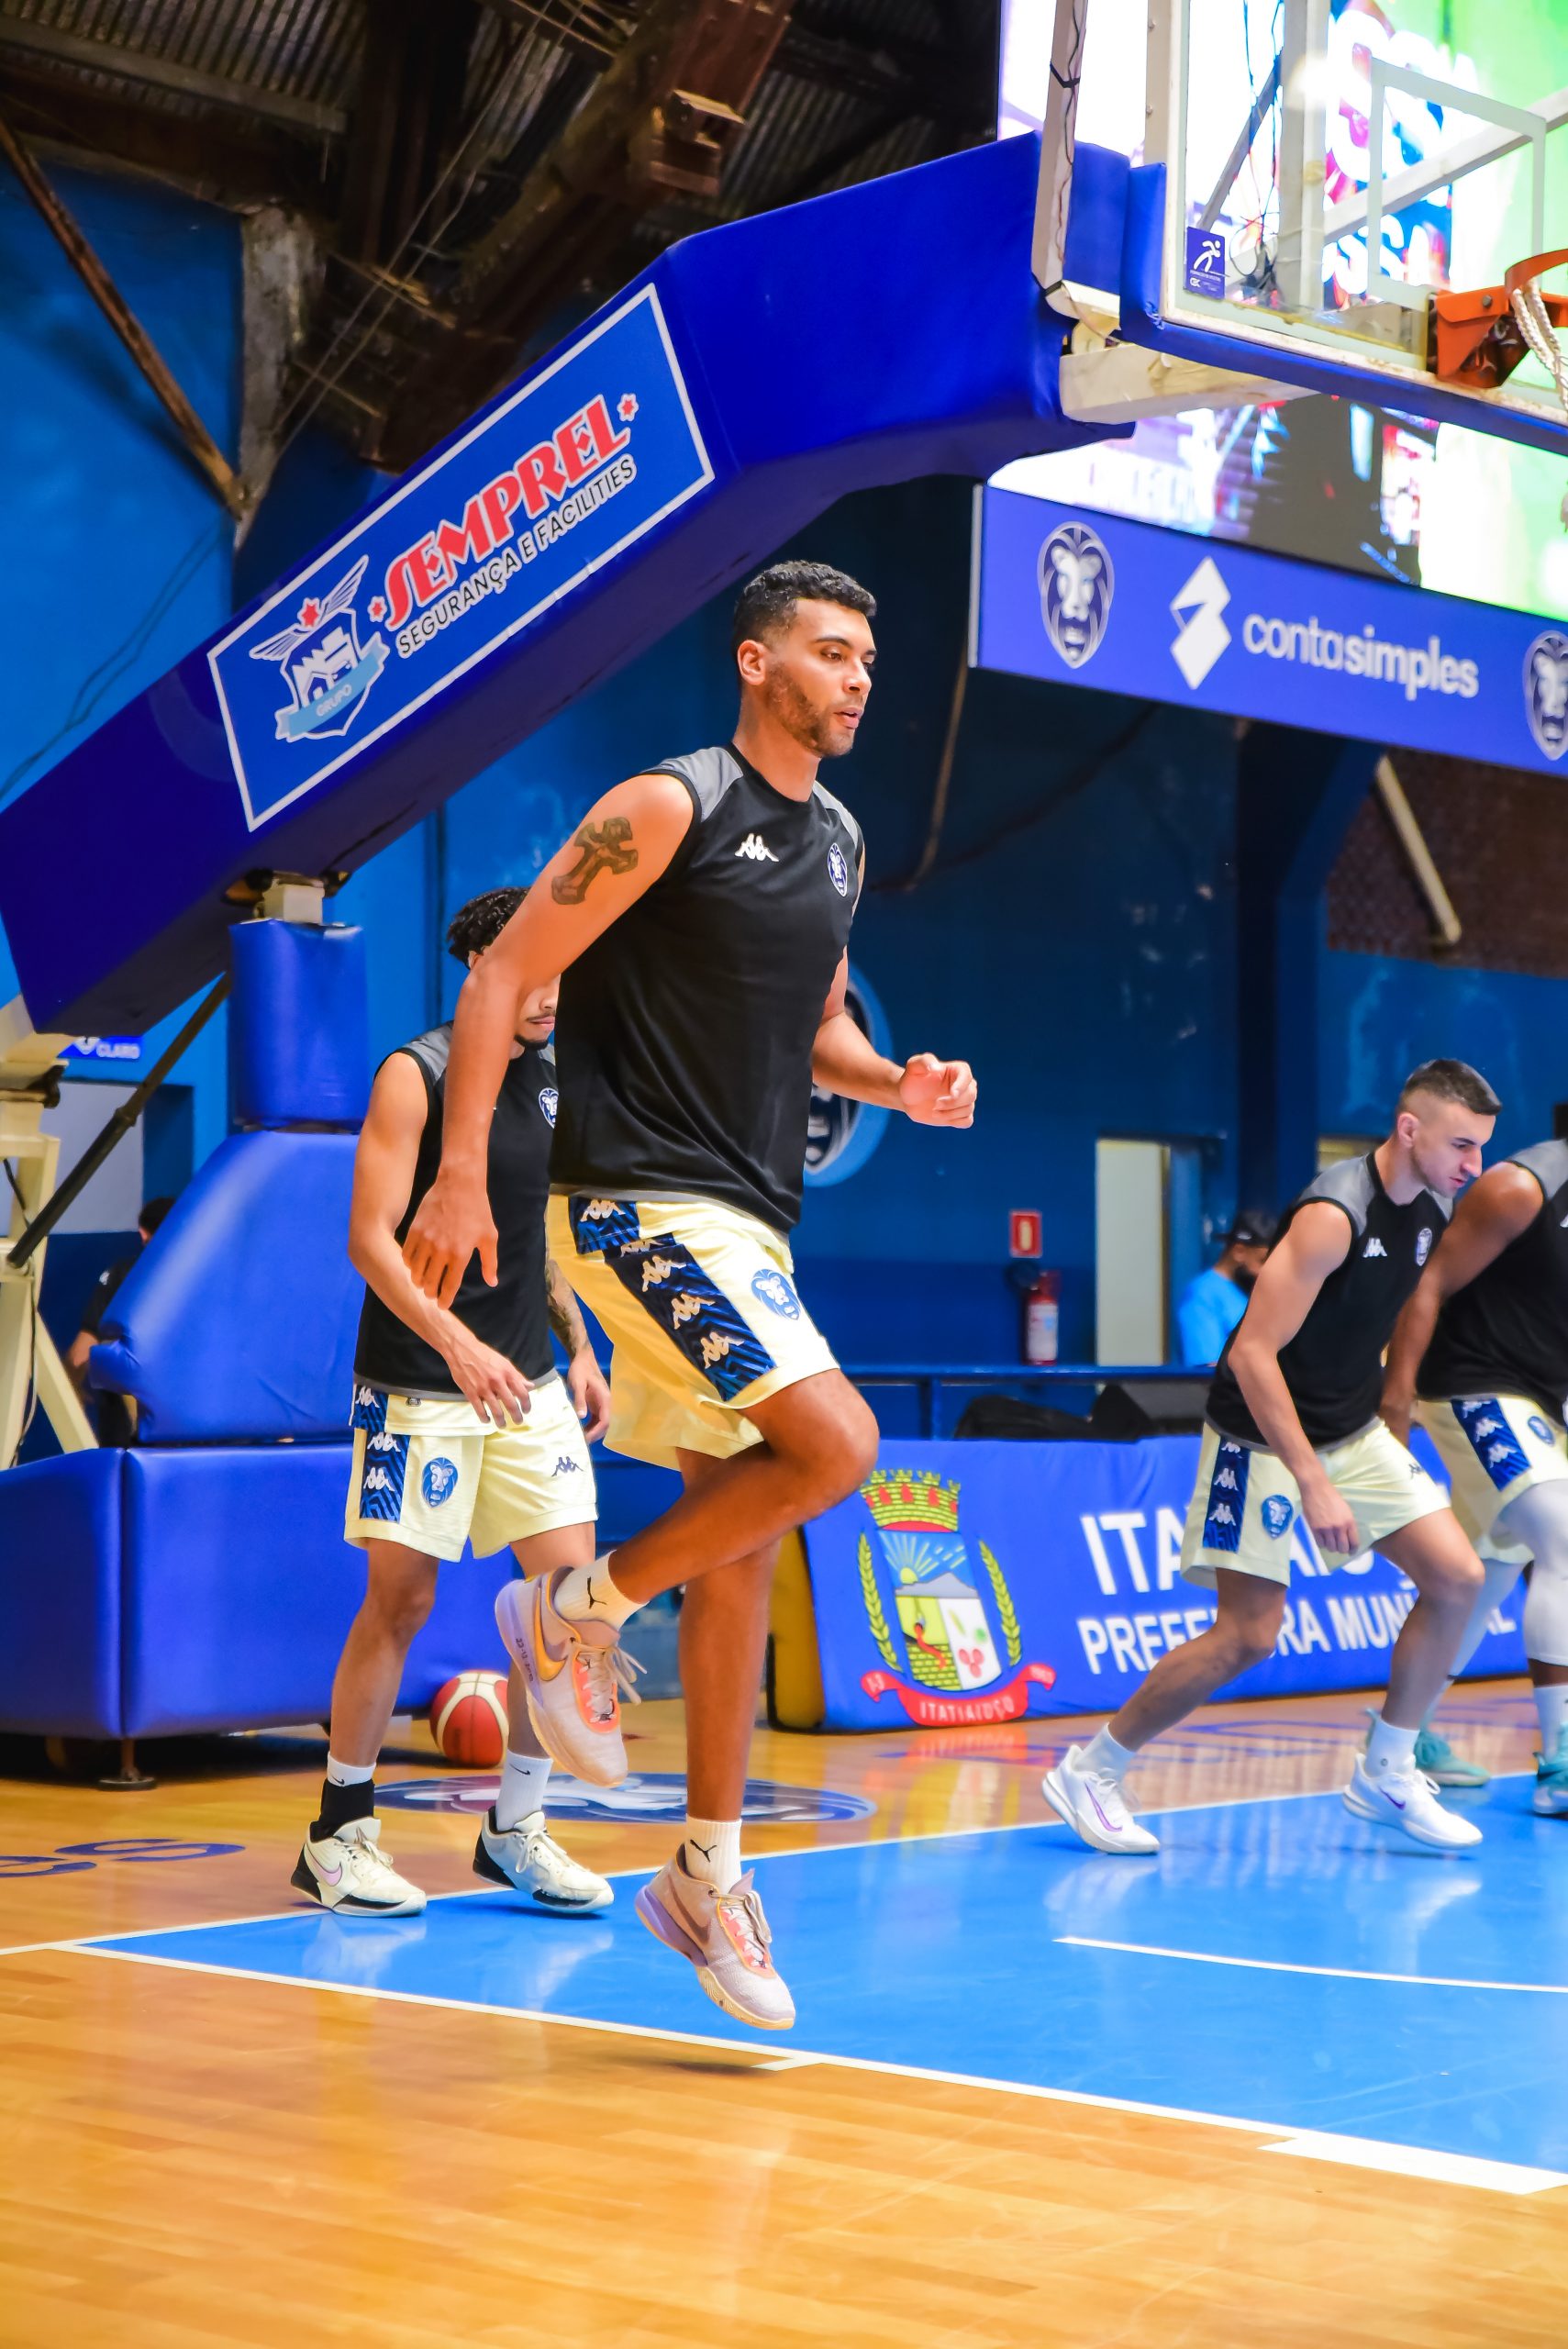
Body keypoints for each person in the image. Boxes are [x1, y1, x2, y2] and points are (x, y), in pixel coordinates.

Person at [404, 560, 977, 2029]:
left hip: (750, 1218)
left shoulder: (841, 841)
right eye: (831, 653)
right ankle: (572, 1614)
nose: (857, 680)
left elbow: (820, 1029)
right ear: (755, 661)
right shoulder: (668, 804)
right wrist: (462, 1174)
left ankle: (706, 1877)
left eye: (867, 660)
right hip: (634, 1197)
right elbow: (502, 976)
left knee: (742, 1536)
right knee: (837, 1446)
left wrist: (895, 1083)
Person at [1044, 1060, 1498, 1856]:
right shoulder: (1332, 1215)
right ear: (1408, 1129)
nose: (1475, 1165)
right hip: (1256, 1437)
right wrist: (1312, 1482)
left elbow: (1380, 1316)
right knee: (1247, 1636)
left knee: (1457, 1577)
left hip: (1348, 1428)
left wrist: (1387, 1412)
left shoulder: (1432, 1207)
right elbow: (1252, 1354)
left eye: (1482, 1147)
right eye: (1462, 1145)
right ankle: (1091, 1771)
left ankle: (1386, 1769)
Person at [294, 887, 613, 1920]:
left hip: (526, 1380)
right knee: (401, 1604)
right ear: (481, 968)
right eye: (534, 972)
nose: (550, 994)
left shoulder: (555, 1076)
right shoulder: (416, 1073)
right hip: (418, 1381)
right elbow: (369, 1241)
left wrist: (580, 1345)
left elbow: (532, 1236)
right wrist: (458, 1342)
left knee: (568, 1607)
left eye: (561, 973)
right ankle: (338, 1837)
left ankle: (515, 1828)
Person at [1381, 1135, 1568, 1815]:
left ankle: (1403, 1734)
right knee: (1563, 1542)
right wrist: (1395, 1399)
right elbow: (1425, 1285)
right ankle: (1561, 1764)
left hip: (1544, 1400)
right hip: (1472, 1385)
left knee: (1483, 1570)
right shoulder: (1521, 1188)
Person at [69, 1194, 174, 1442]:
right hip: (208, 1440)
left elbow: (79, 1355)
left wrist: (71, 1391)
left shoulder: (122, 1276)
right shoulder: (217, 1282)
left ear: (143, 1234)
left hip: (131, 1445)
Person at [1175, 1208, 1276, 1366]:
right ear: (1239, 1251)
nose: (1264, 1271)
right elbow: (1208, 1368)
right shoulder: (1202, 1295)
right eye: (1262, 1261)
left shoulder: (1251, 1293)